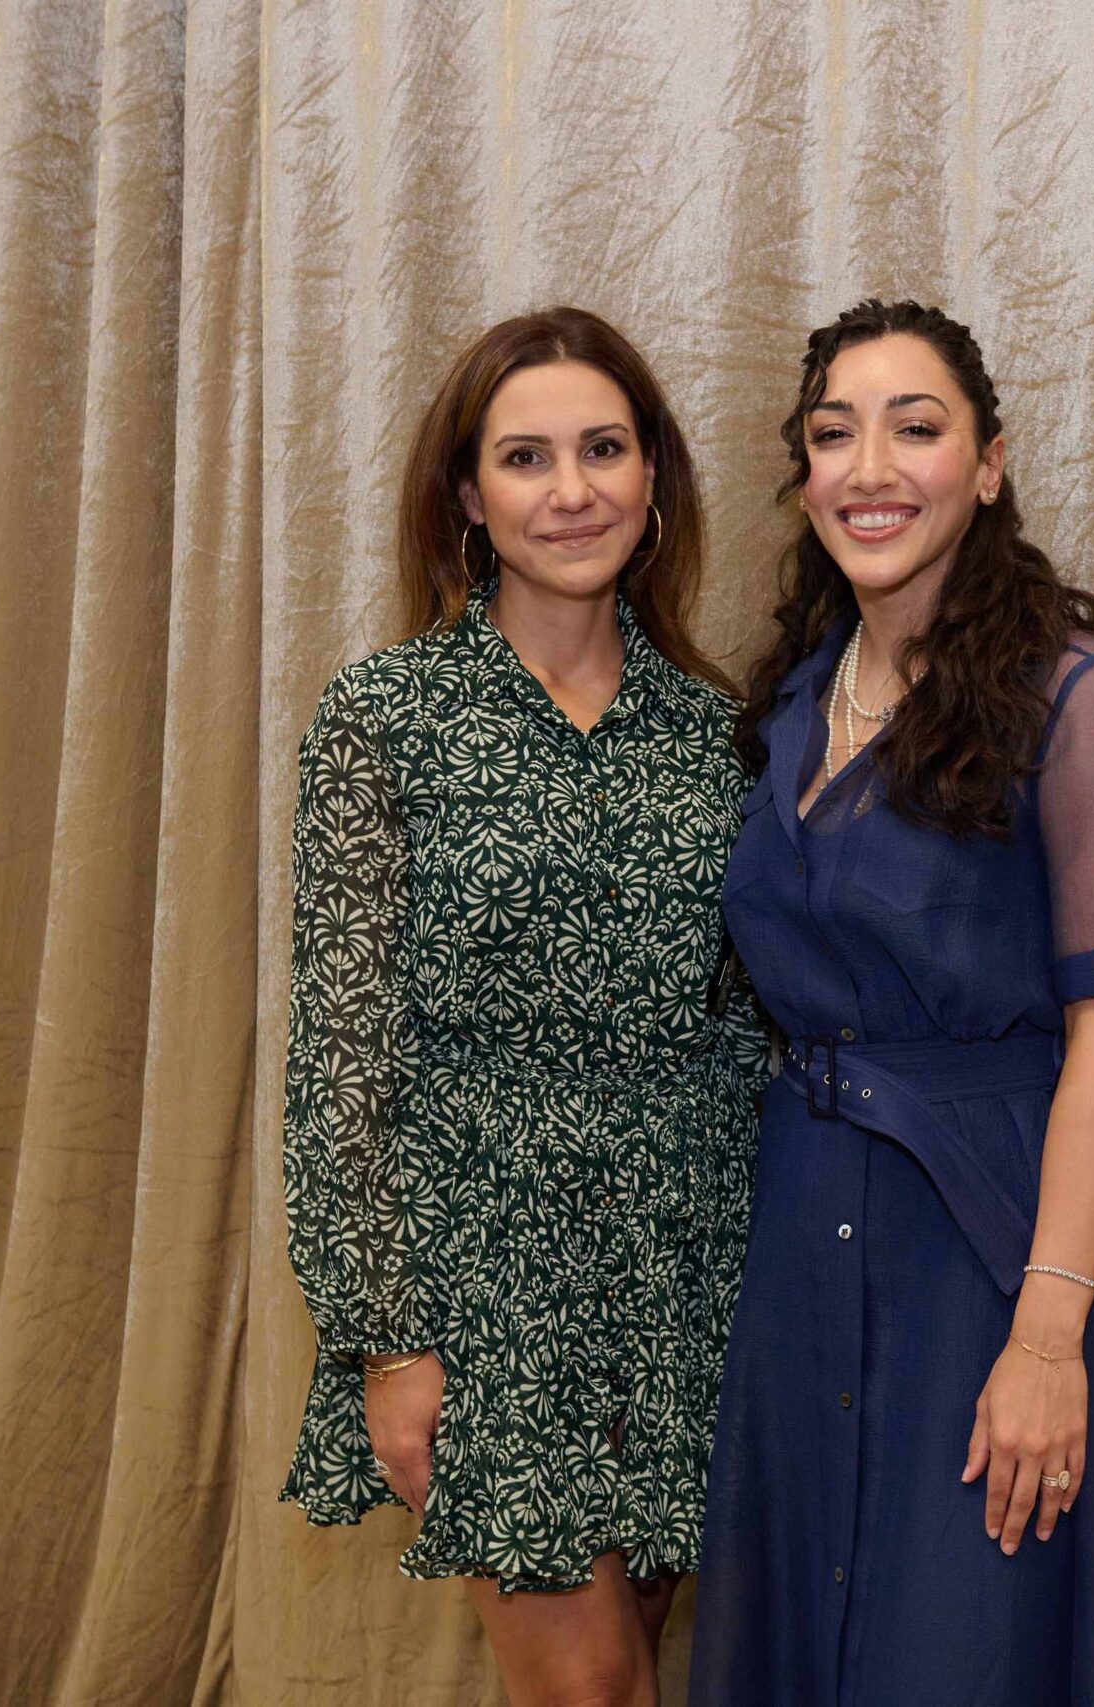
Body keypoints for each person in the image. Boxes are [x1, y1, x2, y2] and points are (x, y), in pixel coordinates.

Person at [688, 299, 1094, 1704]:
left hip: (983, 1249)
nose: (870, 468)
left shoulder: (1084, 699)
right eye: (833, 434)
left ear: (987, 465)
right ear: (802, 475)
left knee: (964, 1642)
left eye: (915, 429)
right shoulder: (790, 706)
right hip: (798, 1239)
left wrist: (1045, 1339)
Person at [277, 307, 768, 1706]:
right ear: (467, 497)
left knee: (636, 1673)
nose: (571, 491)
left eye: (603, 449)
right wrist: (386, 1337)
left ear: (655, 477)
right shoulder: (384, 718)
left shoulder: (719, 734)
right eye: (527, 457)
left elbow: (746, 1029)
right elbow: (341, 1055)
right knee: (592, 1689)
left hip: (686, 1276)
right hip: (483, 1281)